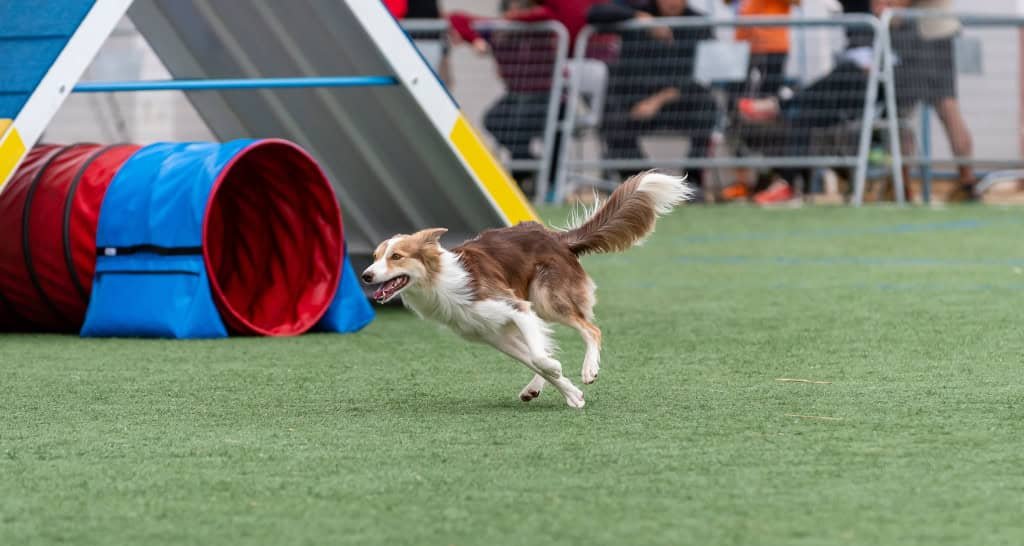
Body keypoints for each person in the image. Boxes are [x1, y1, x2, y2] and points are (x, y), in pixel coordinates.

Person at [587, 0, 719, 196]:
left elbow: (702, 75)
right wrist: (638, 17)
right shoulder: (641, 13)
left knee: (707, 107)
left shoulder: (698, 22)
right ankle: (646, 186)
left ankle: (692, 184)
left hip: (679, 100)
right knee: (611, 118)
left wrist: (657, 101)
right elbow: (594, 14)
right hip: (636, 99)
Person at [448, 1, 564, 197]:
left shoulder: (541, 28)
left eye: (521, 8)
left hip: (547, 95)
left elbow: (548, 13)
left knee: (533, 122)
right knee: (493, 120)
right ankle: (527, 169)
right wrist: (475, 38)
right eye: (511, 7)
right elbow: (455, 18)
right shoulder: (496, 30)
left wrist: (510, 20)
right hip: (517, 95)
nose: (515, 12)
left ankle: (542, 179)